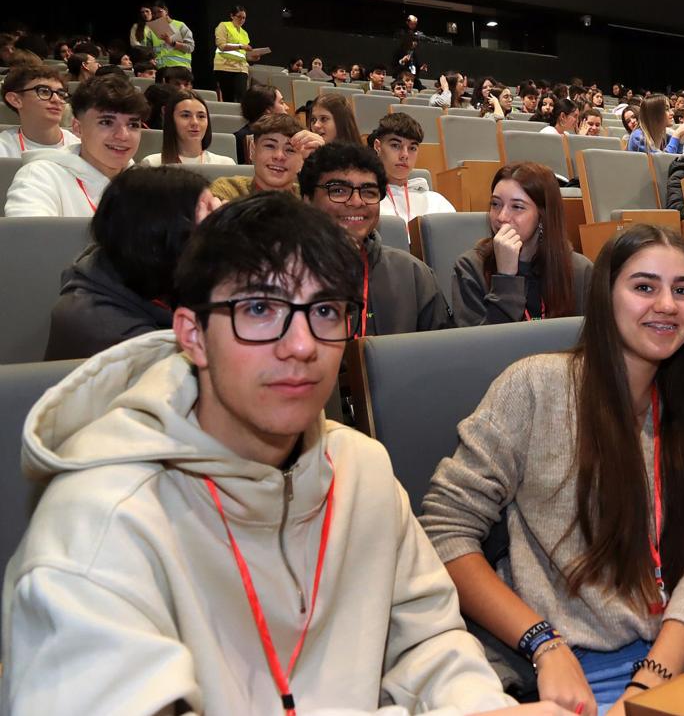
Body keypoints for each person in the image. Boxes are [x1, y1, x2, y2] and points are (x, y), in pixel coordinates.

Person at [4, 191, 546, 715]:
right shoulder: (98, 523)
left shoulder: (361, 467)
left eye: (326, 311)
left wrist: (476, 706)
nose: (303, 345)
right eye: (261, 308)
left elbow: (430, 641)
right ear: (191, 334)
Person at [422, 223, 684, 715]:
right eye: (643, 287)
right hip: (571, 669)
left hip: (677, 658)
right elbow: (445, 531)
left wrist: (654, 679)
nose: (667, 305)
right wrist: (543, 645)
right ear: (604, 298)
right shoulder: (536, 387)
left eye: (682, 290)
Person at [44, 167, 221, 359]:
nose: (218, 223)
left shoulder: (142, 270)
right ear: (161, 233)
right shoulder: (102, 324)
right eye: (206, 213)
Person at [299, 142, 452, 334]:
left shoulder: (414, 275)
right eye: (338, 190)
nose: (356, 202)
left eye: (368, 192)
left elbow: (444, 356)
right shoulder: (279, 273)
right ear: (307, 200)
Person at [452, 163, 592, 325]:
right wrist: (506, 279)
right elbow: (479, 347)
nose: (502, 217)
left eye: (517, 207)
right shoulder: (471, 267)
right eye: (495, 204)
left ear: (542, 216)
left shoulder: (579, 270)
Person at [6, 75, 147, 217]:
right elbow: (29, 236)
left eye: (133, 125)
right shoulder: (40, 176)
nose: (123, 135)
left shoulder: (145, 181)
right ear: (78, 128)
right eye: (106, 122)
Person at [210, 113, 321, 201]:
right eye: (270, 146)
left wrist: (324, 156)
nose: (279, 156)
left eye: (290, 150)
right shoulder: (228, 191)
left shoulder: (311, 198)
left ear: (302, 160)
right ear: (252, 150)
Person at [371, 112, 456, 221]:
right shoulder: (365, 201)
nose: (405, 155)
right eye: (396, 146)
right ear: (378, 146)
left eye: (412, 148)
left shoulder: (436, 202)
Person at [0, 65, 81, 157]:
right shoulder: (3, 148)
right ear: (16, 100)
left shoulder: (81, 147)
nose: (57, 99)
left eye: (60, 94)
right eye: (44, 91)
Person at [142, 89, 236, 166]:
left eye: (201, 116)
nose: (195, 122)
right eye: (185, 116)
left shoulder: (226, 164)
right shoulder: (152, 164)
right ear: (171, 120)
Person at [232, 82, 290, 164]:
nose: (287, 107)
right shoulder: (240, 138)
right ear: (267, 111)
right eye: (281, 102)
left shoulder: (288, 135)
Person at [212, 5, 256, 102]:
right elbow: (221, 46)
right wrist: (241, 46)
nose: (242, 19)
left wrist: (253, 58)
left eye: (244, 17)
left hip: (241, 68)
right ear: (232, 16)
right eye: (239, 16)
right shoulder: (223, 26)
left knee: (242, 96)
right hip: (225, 67)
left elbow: (243, 54)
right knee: (228, 98)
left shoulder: (244, 33)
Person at [145, 0, 195, 70]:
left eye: (159, 11)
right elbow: (149, 51)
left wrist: (172, 43)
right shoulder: (152, 30)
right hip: (161, 69)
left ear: (166, 11)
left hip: (181, 68)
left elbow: (190, 48)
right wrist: (151, 59)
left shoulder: (180, 25)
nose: (157, 15)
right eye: (154, 13)